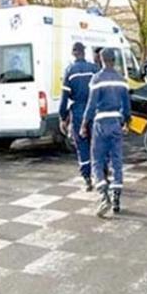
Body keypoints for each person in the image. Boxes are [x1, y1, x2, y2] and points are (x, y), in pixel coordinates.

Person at [81, 48, 131, 218]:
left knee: (97, 160)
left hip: (101, 123)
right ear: (114, 60)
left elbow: (91, 104)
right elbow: (127, 106)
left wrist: (83, 124)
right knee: (116, 161)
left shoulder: (97, 79)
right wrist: (126, 122)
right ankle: (117, 199)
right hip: (116, 123)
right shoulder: (122, 80)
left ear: (101, 59)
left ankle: (104, 196)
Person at [59, 42, 99, 191]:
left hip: (78, 113)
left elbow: (64, 99)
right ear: (84, 52)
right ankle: (101, 175)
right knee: (96, 145)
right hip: (94, 112)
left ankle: (87, 179)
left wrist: (63, 117)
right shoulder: (94, 69)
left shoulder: (69, 71)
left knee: (82, 146)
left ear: (73, 53)